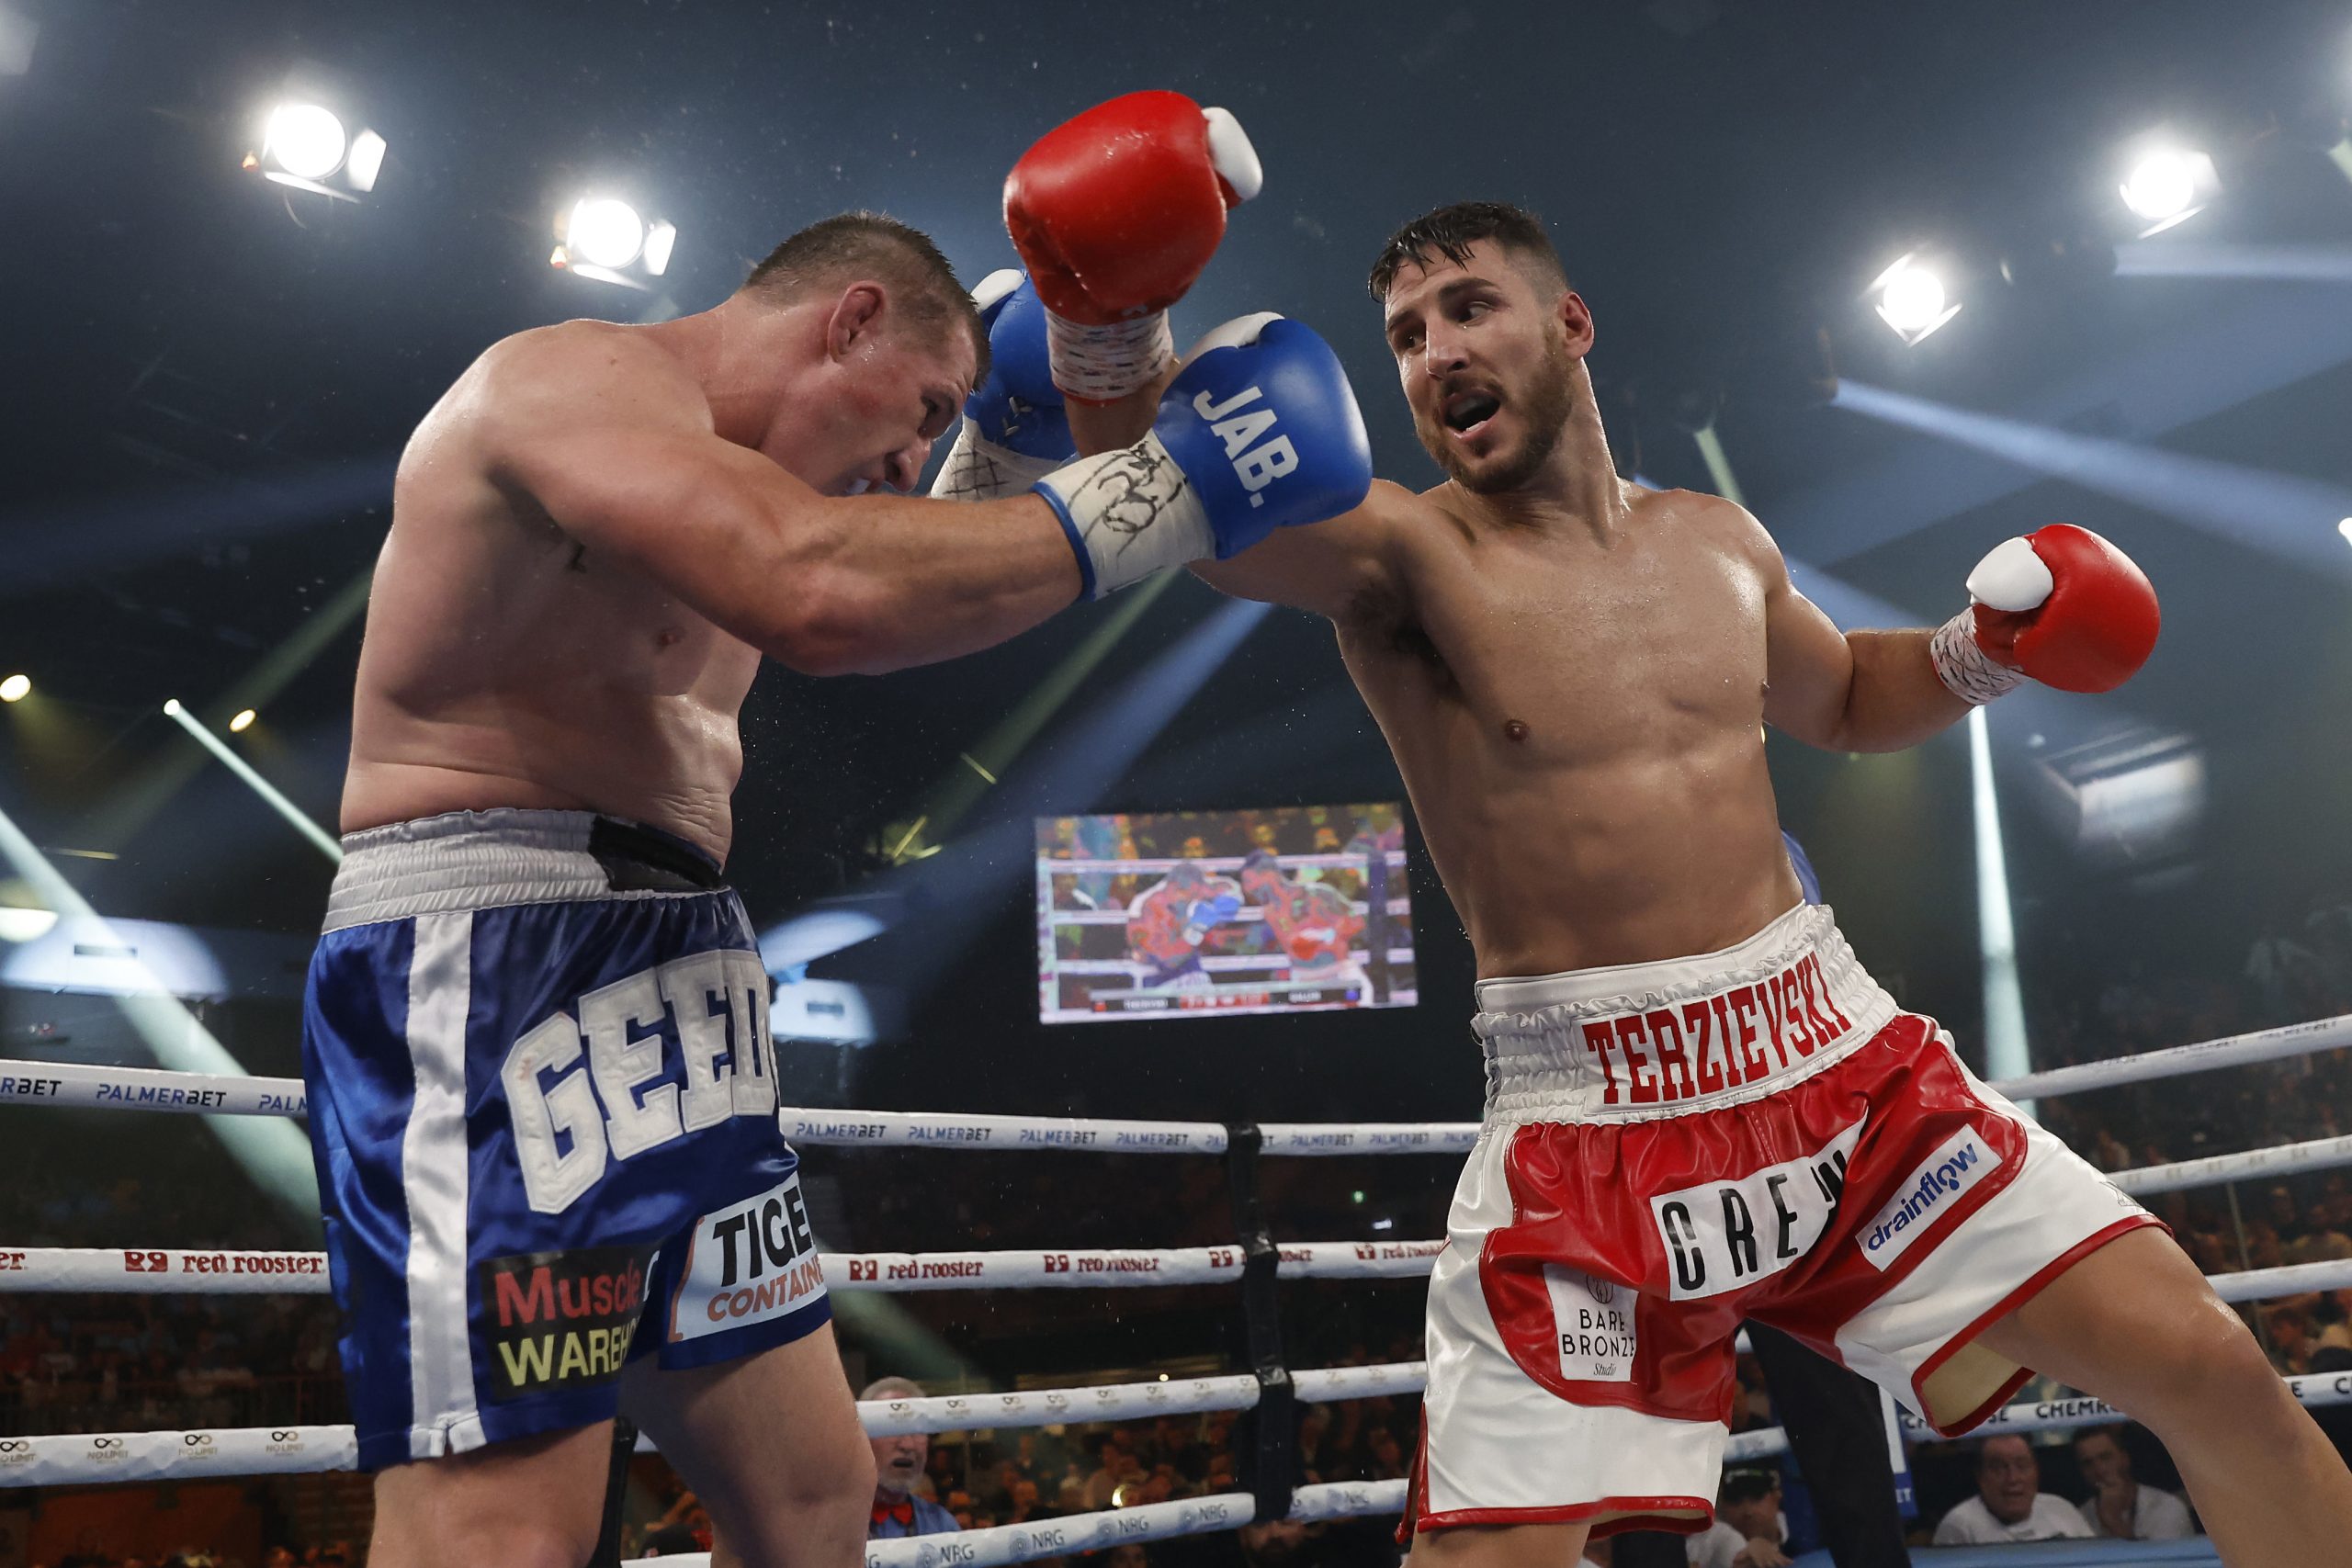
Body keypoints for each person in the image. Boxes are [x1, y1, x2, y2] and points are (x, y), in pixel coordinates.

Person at [1061, 197, 2352, 1563]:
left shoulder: (1718, 540)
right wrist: (1105, 324)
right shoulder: (1403, 556)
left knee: (2211, 1362)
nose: (1435, 351)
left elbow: (1850, 691)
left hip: (1841, 1068)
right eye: (1405, 334)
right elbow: (1185, 510)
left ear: (1570, 326)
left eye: (1470, 308)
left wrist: (1986, 650)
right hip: (1592, 1127)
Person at [301, 90, 1376, 1568]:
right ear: (849, 318)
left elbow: (895, 569)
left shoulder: (758, 486)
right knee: (501, 1525)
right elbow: (822, 593)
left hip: (677, 977)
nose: (910, 461)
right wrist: (1175, 483)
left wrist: (1061, 386)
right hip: (491, 959)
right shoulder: (568, 382)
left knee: (813, 1492)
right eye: (922, 411)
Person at [1932, 1435, 2095, 1545]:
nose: (2013, 1478)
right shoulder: (1959, 1526)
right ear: (1980, 1477)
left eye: (2022, 1466)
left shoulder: (2061, 1509)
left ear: (2036, 1472)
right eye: (1998, 1468)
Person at [861, 1377, 959, 1540]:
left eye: (918, 1430)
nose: (908, 1445)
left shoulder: (942, 1525)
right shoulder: (829, 1523)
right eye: (893, 1427)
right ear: (863, 1437)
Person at [2071, 1426, 2195, 1540]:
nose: (2099, 1470)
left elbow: (2157, 1562)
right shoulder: (2078, 1517)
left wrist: (2113, 1520)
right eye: (2087, 1463)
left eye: (2105, 1457)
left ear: (2124, 1459)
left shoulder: (2167, 1507)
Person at [1685, 1471, 1788, 1568]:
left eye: (1756, 1497)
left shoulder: (1799, 1525)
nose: (1748, 1511)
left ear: (1776, 1496)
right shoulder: (1708, 1542)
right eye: (1735, 1500)